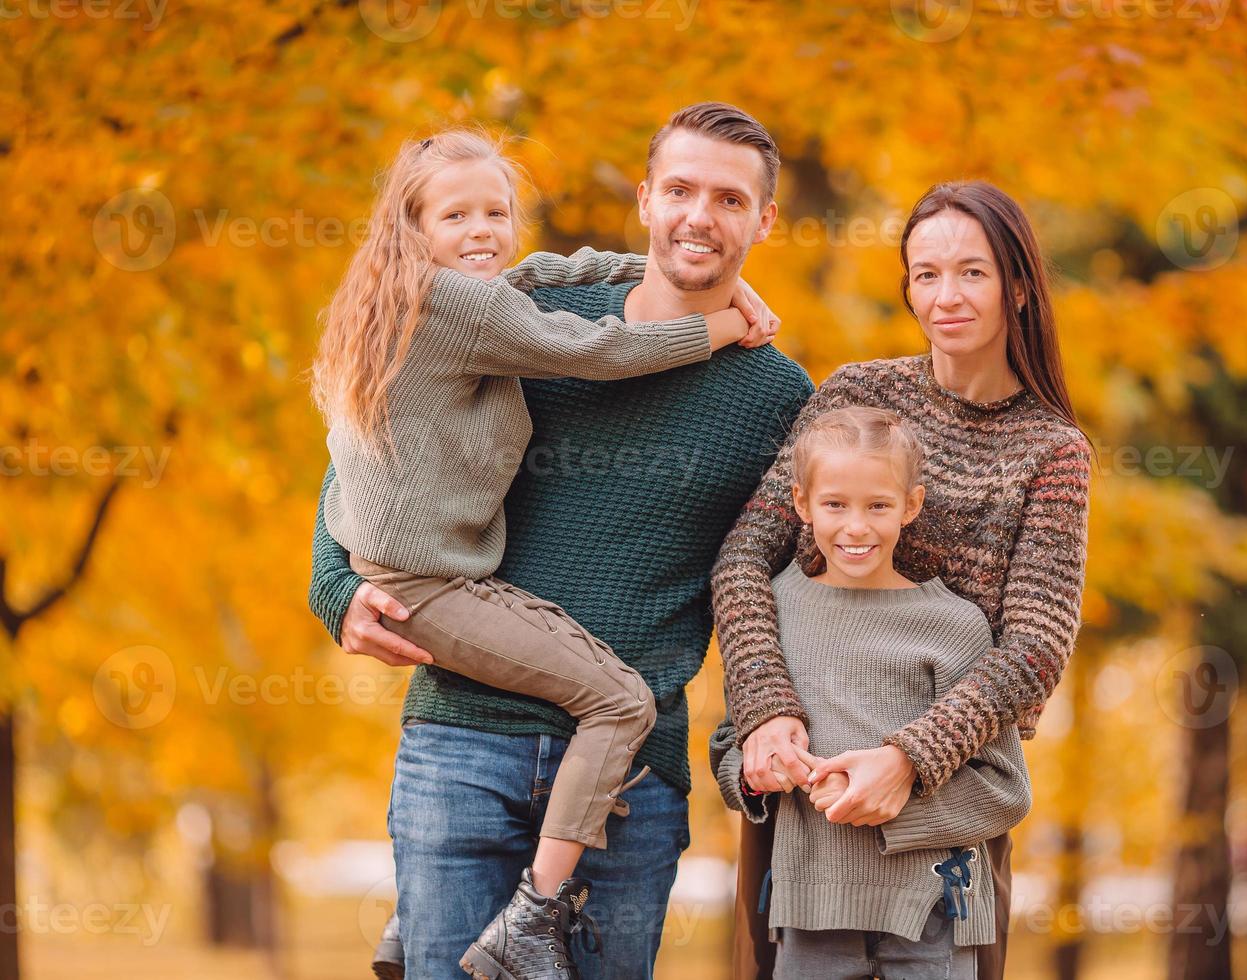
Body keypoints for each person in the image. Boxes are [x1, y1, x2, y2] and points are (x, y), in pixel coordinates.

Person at [307, 103, 814, 980]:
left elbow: (759, 582)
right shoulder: (523, 311)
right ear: (647, 200)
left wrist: (768, 721)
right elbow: (375, 442)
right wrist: (334, 585)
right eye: (681, 189)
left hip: (631, 784)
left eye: (730, 200)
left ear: (763, 221)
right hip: (462, 744)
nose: (700, 215)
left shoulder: (776, 394)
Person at [713, 180, 1093, 979]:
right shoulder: (856, 395)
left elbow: (1035, 649)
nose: (944, 296)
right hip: (810, 798)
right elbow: (746, 556)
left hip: (949, 811)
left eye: (971, 273)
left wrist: (910, 759)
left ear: (1018, 287)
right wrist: (765, 712)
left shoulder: (1050, 450)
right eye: (925, 274)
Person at [710, 406, 1033, 979]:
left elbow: (1006, 789)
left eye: (877, 506)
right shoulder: (773, 611)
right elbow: (731, 745)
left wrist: (894, 805)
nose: (855, 527)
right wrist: (755, 775)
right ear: (802, 504)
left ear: (911, 506)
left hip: (935, 907)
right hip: (809, 911)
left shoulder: (953, 625)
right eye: (834, 504)